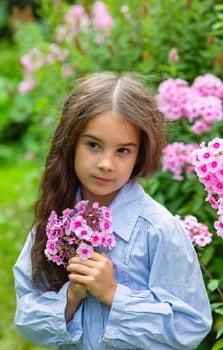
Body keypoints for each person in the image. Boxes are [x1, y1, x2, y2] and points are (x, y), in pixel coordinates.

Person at [14, 72, 212, 350]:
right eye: (93, 145)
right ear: (71, 143)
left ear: (139, 154)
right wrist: (70, 298)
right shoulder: (55, 221)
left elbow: (189, 327)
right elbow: (25, 315)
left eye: (123, 150)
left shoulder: (159, 230)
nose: (106, 163)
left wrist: (114, 294)